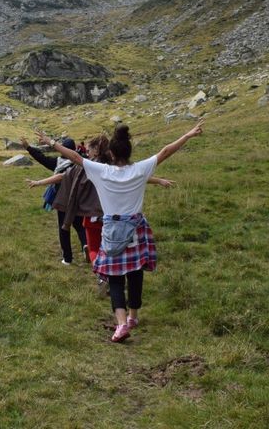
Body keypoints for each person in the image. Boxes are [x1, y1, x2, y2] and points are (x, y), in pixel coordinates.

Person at [37, 121, 203, 343]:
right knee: (136, 273)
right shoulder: (141, 169)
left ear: (111, 153)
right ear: (129, 151)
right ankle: (134, 317)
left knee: (114, 279)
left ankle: (122, 323)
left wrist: (50, 142)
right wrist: (188, 134)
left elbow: (75, 158)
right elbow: (165, 151)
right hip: (136, 229)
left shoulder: (101, 171)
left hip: (112, 231)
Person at [27, 135, 174, 289]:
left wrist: (40, 181)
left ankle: (103, 277)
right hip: (118, 219)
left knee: (95, 248)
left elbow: (64, 174)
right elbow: (136, 176)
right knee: (118, 248)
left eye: (89, 149)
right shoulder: (115, 166)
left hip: (93, 217)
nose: (88, 153)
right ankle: (121, 276)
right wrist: (158, 180)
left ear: (96, 150)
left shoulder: (92, 167)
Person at [21, 135, 87, 265]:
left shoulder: (57, 163)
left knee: (63, 229)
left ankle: (67, 259)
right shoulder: (81, 162)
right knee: (80, 226)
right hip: (78, 200)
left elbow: (41, 158)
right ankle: (86, 245)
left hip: (62, 202)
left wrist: (28, 147)